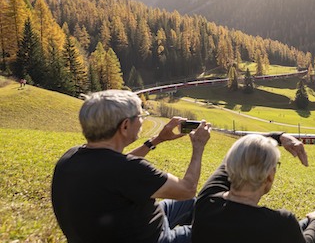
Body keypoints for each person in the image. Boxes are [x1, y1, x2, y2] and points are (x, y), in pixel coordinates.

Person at [51, 89, 211, 243]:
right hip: (158, 238)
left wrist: (157, 140)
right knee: (217, 228)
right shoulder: (130, 169)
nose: (142, 120)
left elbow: (117, 168)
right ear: (125, 125)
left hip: (136, 226)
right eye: (140, 116)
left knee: (201, 203)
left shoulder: (70, 157)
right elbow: (187, 190)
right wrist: (198, 146)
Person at [193, 134, 315, 243]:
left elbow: (245, 148)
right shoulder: (280, 224)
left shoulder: (206, 201)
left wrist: (280, 137)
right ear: (269, 176)